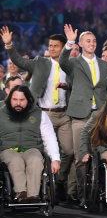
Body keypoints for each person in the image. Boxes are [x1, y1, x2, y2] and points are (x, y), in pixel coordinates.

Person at [2, 28, 74, 202]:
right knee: (39, 151)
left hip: (64, 114)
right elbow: (18, 60)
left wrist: (68, 85)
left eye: (56, 46)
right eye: (50, 46)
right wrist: (9, 44)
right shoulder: (39, 62)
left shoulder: (71, 66)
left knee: (69, 151)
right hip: (43, 112)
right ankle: (33, 189)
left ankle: (59, 182)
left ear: (64, 48)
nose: (52, 49)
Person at [60, 25, 107, 201]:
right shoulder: (74, 63)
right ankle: (83, 196)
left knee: (100, 155)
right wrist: (69, 42)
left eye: (94, 41)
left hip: (100, 116)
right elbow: (62, 61)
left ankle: (99, 192)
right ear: (81, 44)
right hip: (79, 115)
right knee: (80, 156)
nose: (92, 43)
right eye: (88, 41)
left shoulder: (105, 65)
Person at [0, 85, 60, 203]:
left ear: (28, 100)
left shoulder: (40, 114)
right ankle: (21, 192)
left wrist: (55, 159)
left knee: (36, 159)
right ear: (9, 99)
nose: (18, 103)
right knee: (16, 160)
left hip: (32, 148)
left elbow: (50, 138)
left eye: (22, 100)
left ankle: (32, 195)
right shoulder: (1, 113)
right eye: (15, 100)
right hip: (7, 149)